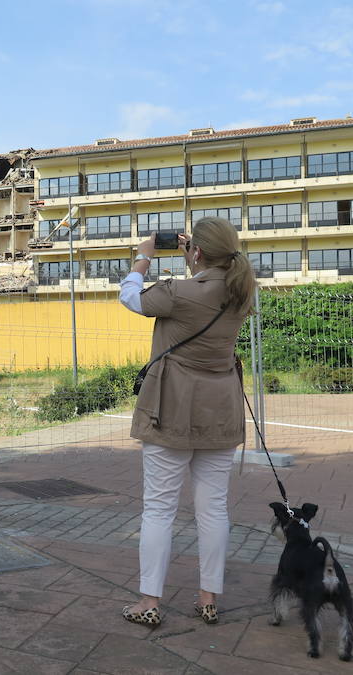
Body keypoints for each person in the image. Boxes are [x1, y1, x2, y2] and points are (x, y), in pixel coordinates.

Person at [118, 216, 256, 628]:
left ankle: (149, 602)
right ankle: (208, 598)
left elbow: (131, 298)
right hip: (220, 411)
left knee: (159, 509)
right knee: (213, 509)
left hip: (171, 409)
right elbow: (209, 285)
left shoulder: (176, 292)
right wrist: (195, 257)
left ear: (196, 252)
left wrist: (143, 257)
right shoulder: (242, 291)